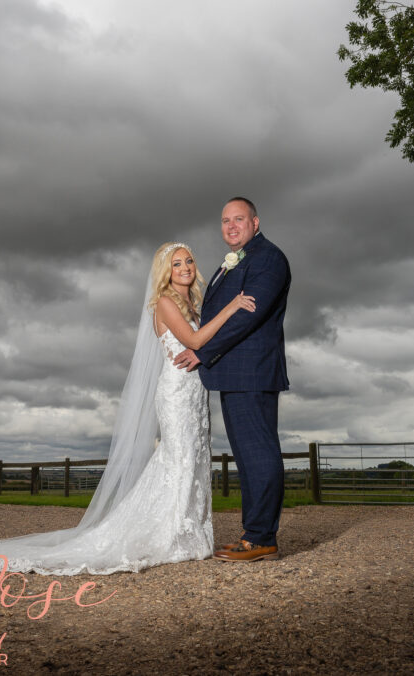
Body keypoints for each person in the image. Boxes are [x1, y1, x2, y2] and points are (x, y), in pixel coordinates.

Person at [0, 242, 254, 575]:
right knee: (179, 459)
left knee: (193, 459)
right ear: (166, 272)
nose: (185, 268)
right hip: (176, 393)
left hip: (196, 394)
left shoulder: (193, 303)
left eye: (189, 261)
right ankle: (171, 537)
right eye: (177, 263)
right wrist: (233, 307)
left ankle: (191, 534)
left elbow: (205, 342)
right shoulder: (165, 303)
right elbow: (195, 342)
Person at [172, 196, 291, 563]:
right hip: (236, 373)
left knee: (258, 452)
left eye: (239, 219)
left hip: (251, 371)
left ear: (255, 222)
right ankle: (253, 533)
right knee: (248, 455)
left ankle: (261, 537)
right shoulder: (235, 262)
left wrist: (201, 351)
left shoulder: (268, 258)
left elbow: (247, 317)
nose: (231, 226)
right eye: (225, 221)